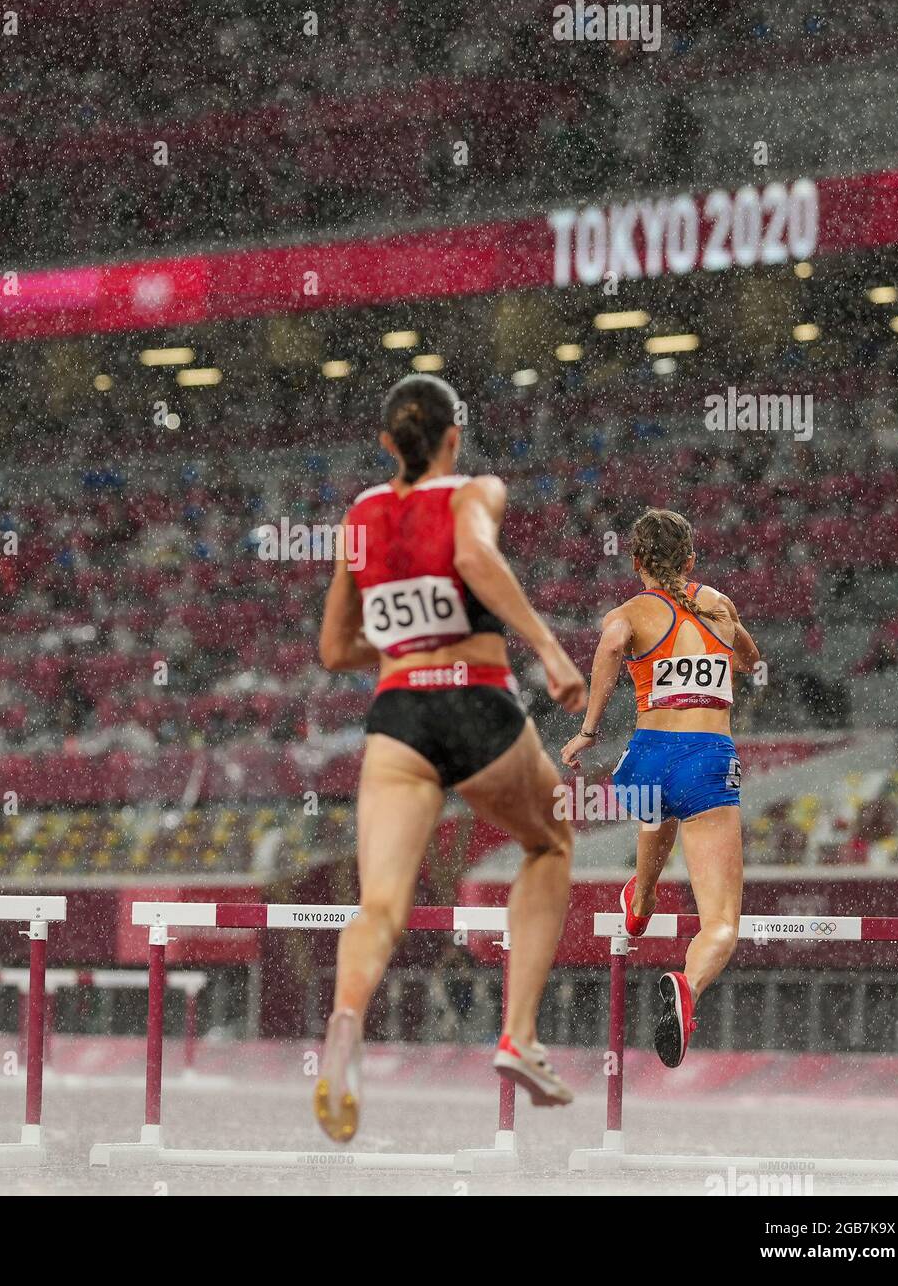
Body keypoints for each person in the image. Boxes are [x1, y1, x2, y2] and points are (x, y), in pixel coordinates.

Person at [314, 374, 588, 1143]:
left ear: (385, 446)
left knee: (380, 906)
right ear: (452, 439)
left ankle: (344, 1019)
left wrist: (401, 642)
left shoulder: (360, 516)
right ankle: (519, 1036)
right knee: (548, 842)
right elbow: (472, 557)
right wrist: (548, 649)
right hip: (475, 701)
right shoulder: (475, 491)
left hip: (396, 717)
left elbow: (334, 649)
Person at [561, 509, 760, 1067]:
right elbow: (750, 658)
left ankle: (641, 898)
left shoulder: (629, 613)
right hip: (705, 763)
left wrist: (588, 731)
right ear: (691, 560)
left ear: (637, 563)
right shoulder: (718, 604)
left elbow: (608, 647)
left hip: (643, 763)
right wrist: (733, 648)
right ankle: (688, 985)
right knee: (721, 922)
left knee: (657, 802)